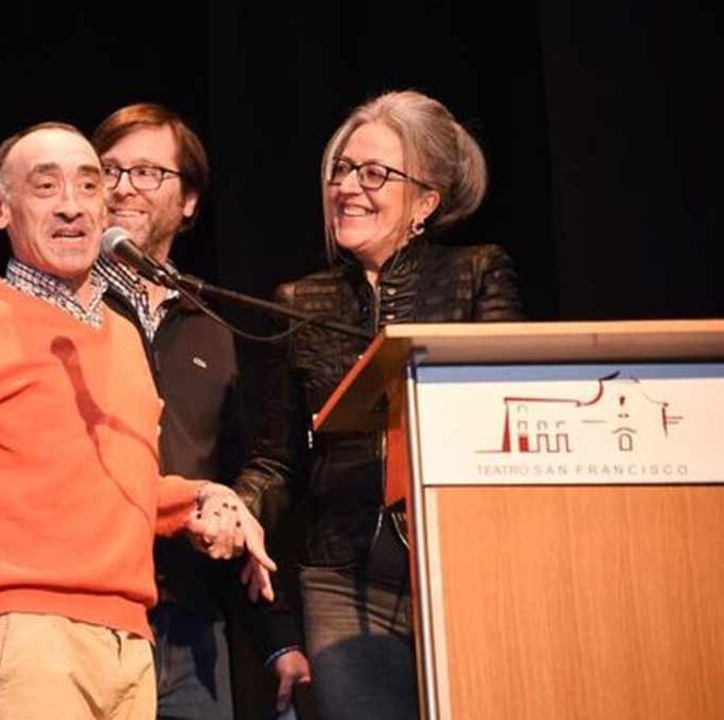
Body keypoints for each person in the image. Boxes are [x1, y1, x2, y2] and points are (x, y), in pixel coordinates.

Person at [0, 121, 276, 720]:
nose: (72, 207)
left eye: (87, 186)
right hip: (28, 634)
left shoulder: (123, 338)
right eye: (45, 187)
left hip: (131, 642)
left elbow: (121, 484)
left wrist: (205, 499)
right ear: (1, 208)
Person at [239, 89, 525, 720]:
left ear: (425, 202)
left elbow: (507, 420)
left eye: (374, 174)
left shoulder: (477, 275)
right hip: (344, 582)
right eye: (341, 170)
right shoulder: (298, 300)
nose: (348, 187)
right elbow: (277, 462)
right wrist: (239, 504)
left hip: (465, 571)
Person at [92, 102, 288, 720]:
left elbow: (247, 471)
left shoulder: (216, 322)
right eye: (109, 171)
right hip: (86, 615)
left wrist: (278, 635)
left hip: (193, 629)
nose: (123, 188)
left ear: (190, 201)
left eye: (147, 172)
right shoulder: (61, 309)